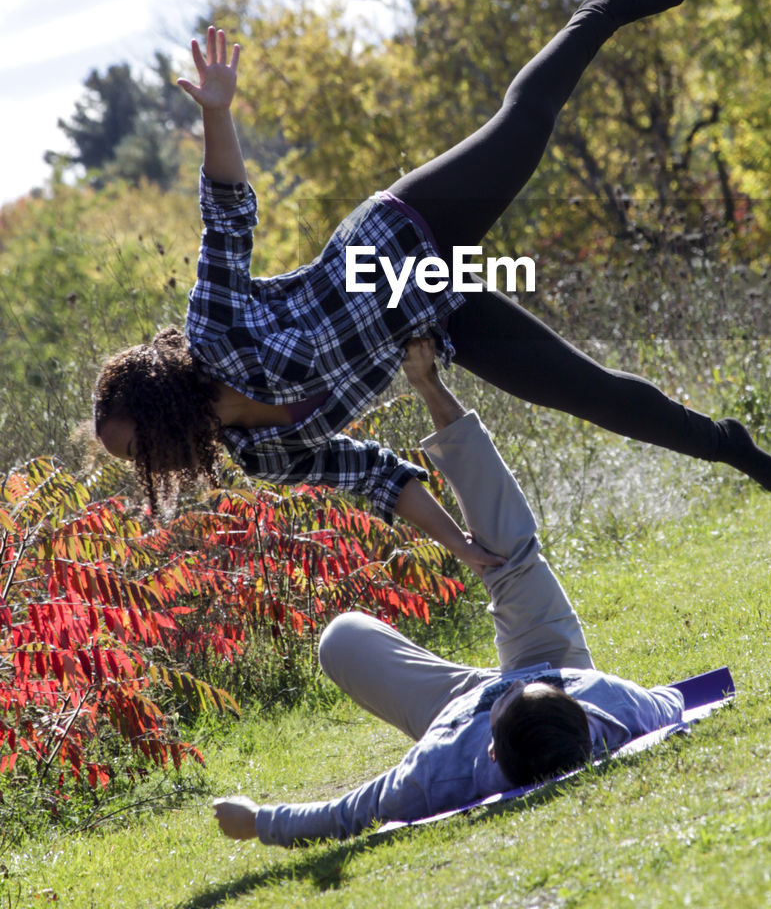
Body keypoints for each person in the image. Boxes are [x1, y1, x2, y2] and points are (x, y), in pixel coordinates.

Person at [94, 0, 771, 569]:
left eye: (142, 444)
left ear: (158, 405)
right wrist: (460, 545)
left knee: (523, 127)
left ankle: (600, 12)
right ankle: (723, 444)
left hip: (400, 233)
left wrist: (218, 114)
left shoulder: (213, 331)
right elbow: (373, 475)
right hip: (438, 312)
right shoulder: (265, 453)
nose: (151, 462)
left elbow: (227, 214)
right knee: (588, 394)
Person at [212, 337, 687, 845]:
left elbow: (349, 811)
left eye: (502, 698)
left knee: (340, 638)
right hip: (551, 658)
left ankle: (498, 695)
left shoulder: (444, 765)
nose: (503, 685)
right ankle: (428, 383)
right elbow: (675, 703)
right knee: (511, 554)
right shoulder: (605, 701)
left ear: (491, 752)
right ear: (579, 711)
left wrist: (257, 821)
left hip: (454, 707)